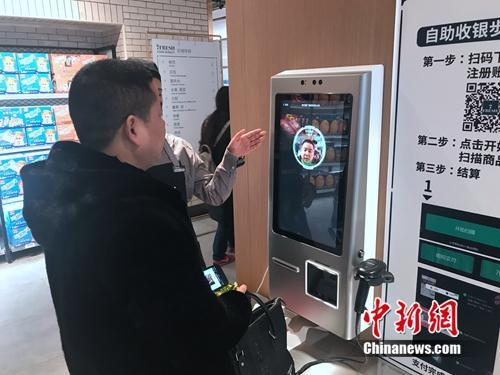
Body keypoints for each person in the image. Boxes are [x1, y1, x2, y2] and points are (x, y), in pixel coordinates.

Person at [20, 59, 251, 375]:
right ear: (133, 128)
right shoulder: (143, 221)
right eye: (158, 113)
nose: (163, 124)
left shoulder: (64, 201)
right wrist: (237, 304)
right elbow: (201, 335)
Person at [141, 60, 265, 207]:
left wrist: (232, 156)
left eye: (159, 93)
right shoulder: (117, 155)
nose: (157, 101)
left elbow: (214, 194)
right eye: (147, 94)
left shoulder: (179, 149)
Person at [200, 86, 244, 265]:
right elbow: (231, 154)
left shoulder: (209, 121)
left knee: (227, 215)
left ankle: (232, 247)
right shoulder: (231, 124)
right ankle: (218, 255)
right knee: (226, 219)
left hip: (211, 173)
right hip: (226, 174)